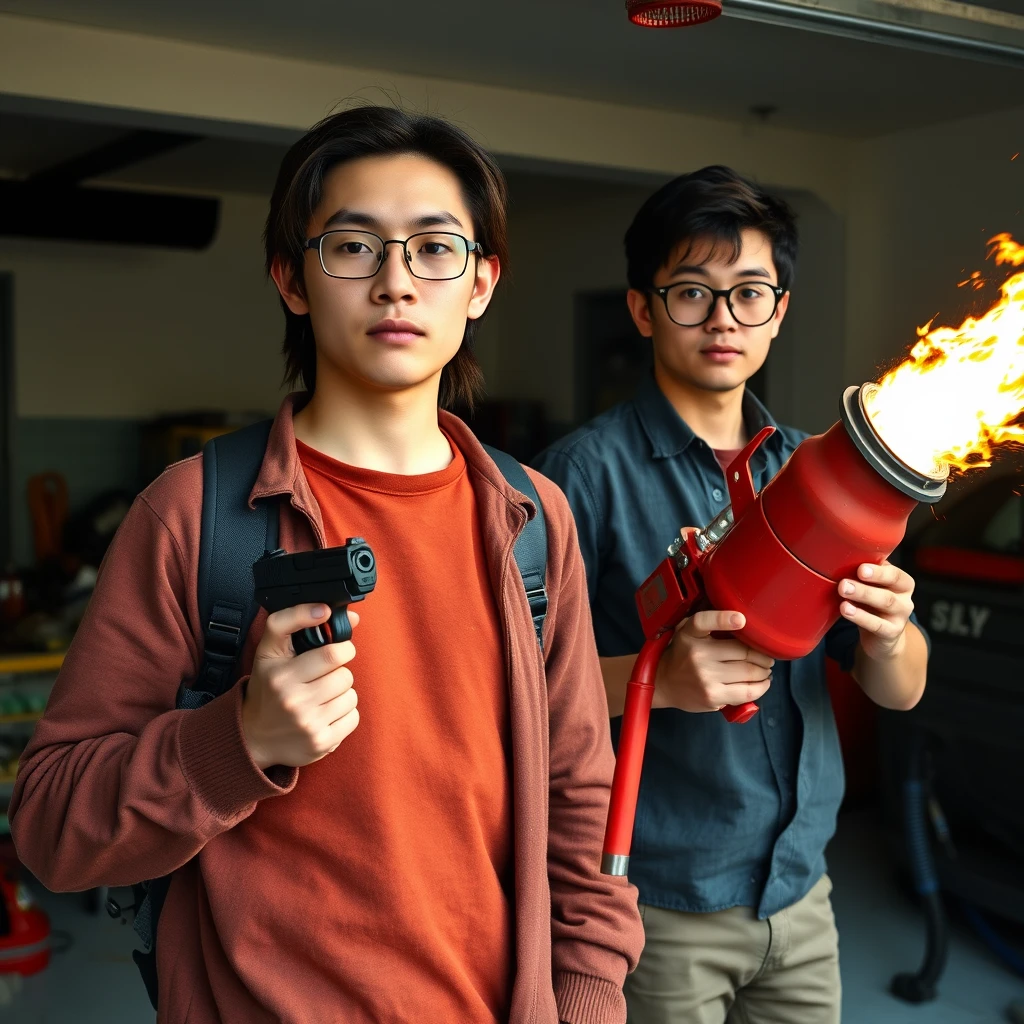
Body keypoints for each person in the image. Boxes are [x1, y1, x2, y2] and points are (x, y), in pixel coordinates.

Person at [11, 106, 643, 1024]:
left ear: (482, 283)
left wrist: (586, 1002)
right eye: (353, 246)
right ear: (292, 279)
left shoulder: (534, 519)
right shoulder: (193, 513)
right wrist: (238, 743)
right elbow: (50, 828)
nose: (396, 282)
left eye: (436, 249)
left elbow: (579, 799)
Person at [532, 165, 929, 1024]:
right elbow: (510, 685)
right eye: (691, 294)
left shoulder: (821, 472)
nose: (722, 319)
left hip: (801, 895)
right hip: (659, 904)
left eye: (750, 293)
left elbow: (900, 689)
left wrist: (891, 637)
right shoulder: (576, 478)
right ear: (642, 309)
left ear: (780, 311)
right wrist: (658, 681)